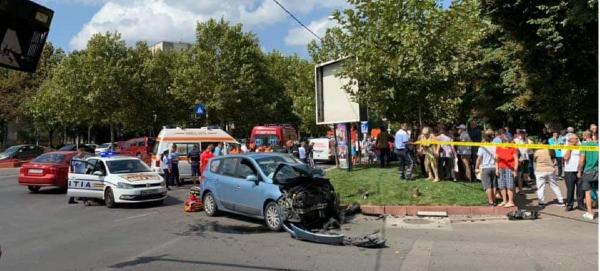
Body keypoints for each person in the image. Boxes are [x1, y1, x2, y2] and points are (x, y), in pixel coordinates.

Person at [533, 139, 565, 207]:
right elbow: (554, 161)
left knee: (540, 187)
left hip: (540, 170)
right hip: (550, 170)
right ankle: (561, 201)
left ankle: (541, 202)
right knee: (554, 186)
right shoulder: (551, 150)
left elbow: (535, 160)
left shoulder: (537, 151)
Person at [578, 130, 598, 221]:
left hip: (588, 171)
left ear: (585, 136)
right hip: (597, 171)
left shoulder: (584, 145)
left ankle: (590, 212)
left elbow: (582, 160)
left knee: (587, 192)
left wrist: (579, 171)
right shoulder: (597, 145)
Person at [495, 135, 518, 208]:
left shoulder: (513, 148)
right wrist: (496, 169)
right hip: (501, 168)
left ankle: (510, 201)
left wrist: (515, 170)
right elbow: (496, 160)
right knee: (502, 185)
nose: (508, 143)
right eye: (507, 142)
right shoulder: (498, 148)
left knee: (509, 185)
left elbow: (516, 160)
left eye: (509, 142)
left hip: (510, 168)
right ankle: (504, 201)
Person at [476, 129, 497, 205]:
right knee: (494, 185)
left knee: (487, 186)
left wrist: (476, 167)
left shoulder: (482, 147)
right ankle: (494, 201)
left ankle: (490, 201)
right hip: (494, 167)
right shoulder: (495, 146)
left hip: (485, 168)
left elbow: (479, 158)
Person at [563, 133, 582, 211]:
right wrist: (570, 148)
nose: (577, 140)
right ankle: (569, 205)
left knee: (580, 189)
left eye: (577, 139)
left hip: (579, 170)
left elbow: (582, 157)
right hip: (569, 171)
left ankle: (581, 204)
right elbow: (566, 158)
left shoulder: (580, 147)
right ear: (570, 140)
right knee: (570, 189)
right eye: (576, 139)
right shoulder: (565, 147)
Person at [513, 130, 530, 194]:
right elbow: (516, 150)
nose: (522, 134)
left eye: (523, 133)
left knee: (522, 175)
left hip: (525, 158)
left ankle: (521, 189)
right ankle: (515, 190)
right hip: (518, 159)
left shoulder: (526, 140)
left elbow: (527, 149)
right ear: (519, 134)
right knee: (516, 176)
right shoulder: (516, 140)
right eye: (521, 133)